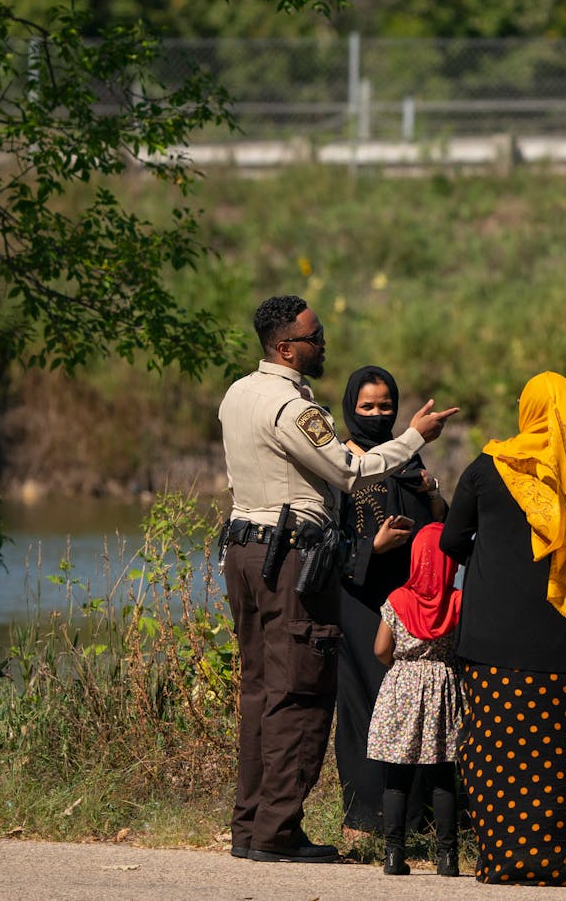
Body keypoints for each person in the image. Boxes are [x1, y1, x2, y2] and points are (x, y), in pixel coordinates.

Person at [217, 295, 457, 864]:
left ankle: (250, 828)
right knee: (299, 692)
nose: (322, 344)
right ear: (285, 348)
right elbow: (351, 470)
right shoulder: (288, 406)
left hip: (244, 554)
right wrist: (415, 435)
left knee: (258, 692)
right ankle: (276, 832)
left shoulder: (236, 393)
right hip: (290, 557)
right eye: (314, 337)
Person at [439, 371, 566, 886]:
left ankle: (501, 860)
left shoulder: (489, 468)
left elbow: (452, 541)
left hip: (492, 639)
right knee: (563, 757)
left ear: (527, 411)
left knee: (495, 753)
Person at [335, 365, 448, 838]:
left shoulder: (408, 464)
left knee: (418, 703)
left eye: (385, 407)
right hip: (360, 599)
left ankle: (418, 820)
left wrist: (433, 492)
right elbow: (326, 540)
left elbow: (441, 525)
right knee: (364, 704)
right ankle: (364, 818)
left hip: (409, 604)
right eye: (368, 407)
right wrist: (371, 548)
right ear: (350, 408)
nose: (377, 415)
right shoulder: (338, 463)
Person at [367, 522, 464, 878]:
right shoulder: (457, 601)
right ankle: (448, 858)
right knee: (442, 776)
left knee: (397, 775)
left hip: (402, 686)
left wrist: (399, 667)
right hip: (443, 686)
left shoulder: (397, 600)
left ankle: (393, 855)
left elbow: (380, 649)